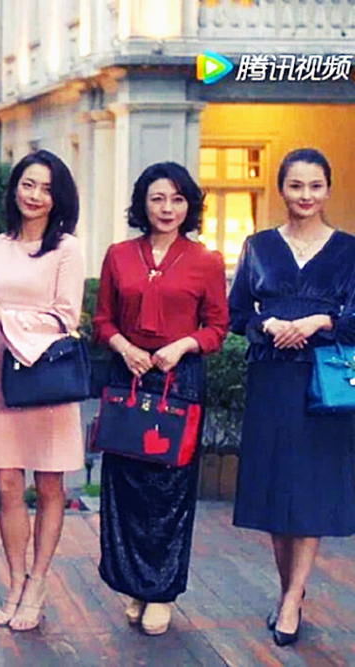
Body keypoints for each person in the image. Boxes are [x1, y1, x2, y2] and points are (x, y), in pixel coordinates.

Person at [92, 162, 228, 636]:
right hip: (128, 375)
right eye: (157, 198)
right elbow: (102, 321)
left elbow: (217, 327)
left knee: (169, 492)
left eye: (177, 199)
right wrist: (124, 348)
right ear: (142, 204)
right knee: (127, 488)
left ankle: (162, 591)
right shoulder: (119, 255)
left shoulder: (205, 260)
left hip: (179, 379)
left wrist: (182, 346)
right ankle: (134, 585)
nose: (167, 208)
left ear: (189, 205)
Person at [228, 148, 355, 647]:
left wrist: (320, 321)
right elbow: (238, 313)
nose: (306, 195)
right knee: (276, 489)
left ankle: (291, 598)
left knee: (309, 490)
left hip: (324, 384)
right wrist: (269, 324)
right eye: (296, 185)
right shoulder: (258, 246)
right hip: (270, 379)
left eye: (315, 186)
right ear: (281, 189)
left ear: (327, 190)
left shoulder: (349, 250)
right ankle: (290, 593)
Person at [0, 150, 84, 631]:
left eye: (47, 189)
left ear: (59, 198)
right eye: (28, 184)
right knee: (6, 485)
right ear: (15, 187)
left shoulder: (67, 249)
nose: (35, 196)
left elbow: (66, 318)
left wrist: (8, 316)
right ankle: (15, 581)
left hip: (47, 378)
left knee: (50, 485)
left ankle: (38, 582)